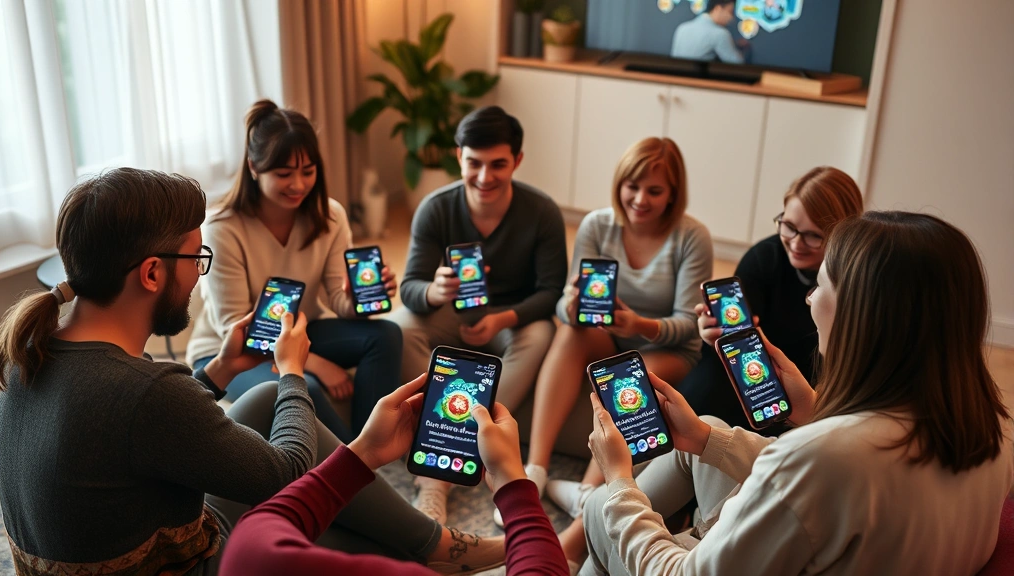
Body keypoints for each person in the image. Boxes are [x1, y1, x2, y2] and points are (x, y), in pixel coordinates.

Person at [0, 168, 502, 575]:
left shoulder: (32, 350)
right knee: (322, 532)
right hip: (190, 566)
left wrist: (219, 370)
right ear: (151, 273)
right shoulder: (146, 391)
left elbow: (136, 432)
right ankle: (434, 551)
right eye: (196, 258)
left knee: (254, 405)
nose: (197, 273)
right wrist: (292, 373)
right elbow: (288, 474)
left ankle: (432, 547)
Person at [578, 211, 1014, 575]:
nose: (809, 299)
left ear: (859, 316)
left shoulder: (824, 457)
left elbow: (812, 472)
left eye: (821, 285)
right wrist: (812, 410)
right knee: (706, 430)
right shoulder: (990, 425)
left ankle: (566, 543)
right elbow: (827, 484)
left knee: (604, 509)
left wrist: (619, 481)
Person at [516, 137, 712, 525]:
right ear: (619, 184)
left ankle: (592, 491)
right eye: (632, 187)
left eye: (654, 191)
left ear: (673, 194)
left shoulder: (692, 238)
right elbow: (565, 303)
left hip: (669, 350)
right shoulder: (596, 225)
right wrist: (569, 307)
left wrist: (639, 324)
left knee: (629, 371)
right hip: (611, 337)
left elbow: (689, 325)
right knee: (570, 333)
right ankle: (534, 471)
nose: (640, 199)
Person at [186, 99, 403, 442]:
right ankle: (355, 467)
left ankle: (370, 445)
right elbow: (235, 325)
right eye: (284, 173)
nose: (299, 185)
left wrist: (359, 299)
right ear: (254, 167)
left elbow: (337, 299)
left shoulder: (330, 216)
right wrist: (313, 362)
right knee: (306, 385)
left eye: (308, 171)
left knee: (387, 335)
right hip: (232, 349)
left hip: (302, 330)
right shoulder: (222, 228)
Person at [391, 105, 568, 524]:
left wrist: (503, 319)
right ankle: (451, 455)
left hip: (513, 320)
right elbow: (409, 288)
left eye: (498, 165)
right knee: (399, 326)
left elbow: (550, 293)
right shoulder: (435, 208)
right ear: (458, 157)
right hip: (451, 312)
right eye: (474, 163)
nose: (485, 177)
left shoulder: (541, 211)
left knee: (542, 334)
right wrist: (434, 290)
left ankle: (456, 444)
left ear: (518, 161)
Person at [220, 379, 569, 575]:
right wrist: (512, 483)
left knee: (269, 395)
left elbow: (256, 537)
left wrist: (364, 453)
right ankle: (438, 546)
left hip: (213, 543)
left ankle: (436, 543)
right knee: (391, 548)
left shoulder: (249, 559)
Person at [678, 166, 863, 433]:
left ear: (844, 234)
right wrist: (712, 337)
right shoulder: (764, 257)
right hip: (750, 373)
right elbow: (733, 339)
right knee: (700, 393)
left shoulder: (856, 282)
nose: (796, 243)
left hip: (808, 396)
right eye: (788, 226)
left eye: (813, 235)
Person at [670, 0, 745, 64]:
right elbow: (738, 65)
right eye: (730, 12)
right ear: (718, 9)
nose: (731, 18)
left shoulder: (682, 28)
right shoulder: (720, 34)